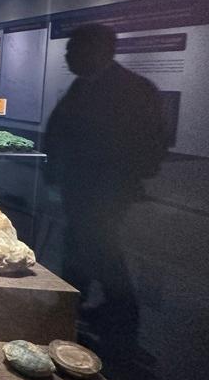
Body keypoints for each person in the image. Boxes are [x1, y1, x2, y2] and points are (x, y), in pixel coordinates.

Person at [45, 23, 167, 352]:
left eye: (73, 50)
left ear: (98, 51)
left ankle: (121, 328)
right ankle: (73, 313)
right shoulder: (82, 86)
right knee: (83, 248)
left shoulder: (134, 90)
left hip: (108, 191)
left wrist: (122, 180)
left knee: (103, 252)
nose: (68, 57)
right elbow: (59, 130)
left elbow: (151, 144)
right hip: (80, 187)